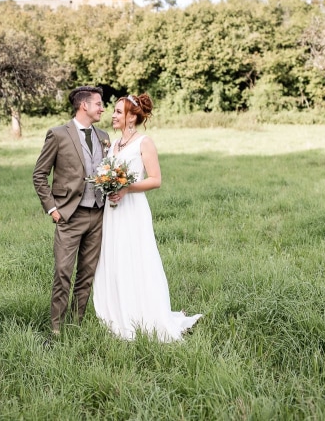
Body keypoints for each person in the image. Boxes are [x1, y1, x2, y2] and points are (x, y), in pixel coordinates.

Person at [92, 93, 201, 342]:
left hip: (133, 209)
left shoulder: (144, 142)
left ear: (132, 117)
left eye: (119, 111)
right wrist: (108, 187)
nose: (113, 115)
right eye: (114, 110)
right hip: (112, 211)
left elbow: (155, 179)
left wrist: (126, 188)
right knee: (115, 258)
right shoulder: (113, 144)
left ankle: (144, 314)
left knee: (135, 257)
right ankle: (118, 312)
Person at [33, 86, 111, 338]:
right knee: (63, 272)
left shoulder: (103, 135)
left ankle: (77, 323)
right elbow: (39, 175)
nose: (102, 108)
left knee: (87, 273)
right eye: (98, 104)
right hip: (69, 215)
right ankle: (56, 327)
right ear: (83, 106)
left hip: (98, 215)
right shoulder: (57, 135)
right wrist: (52, 209)